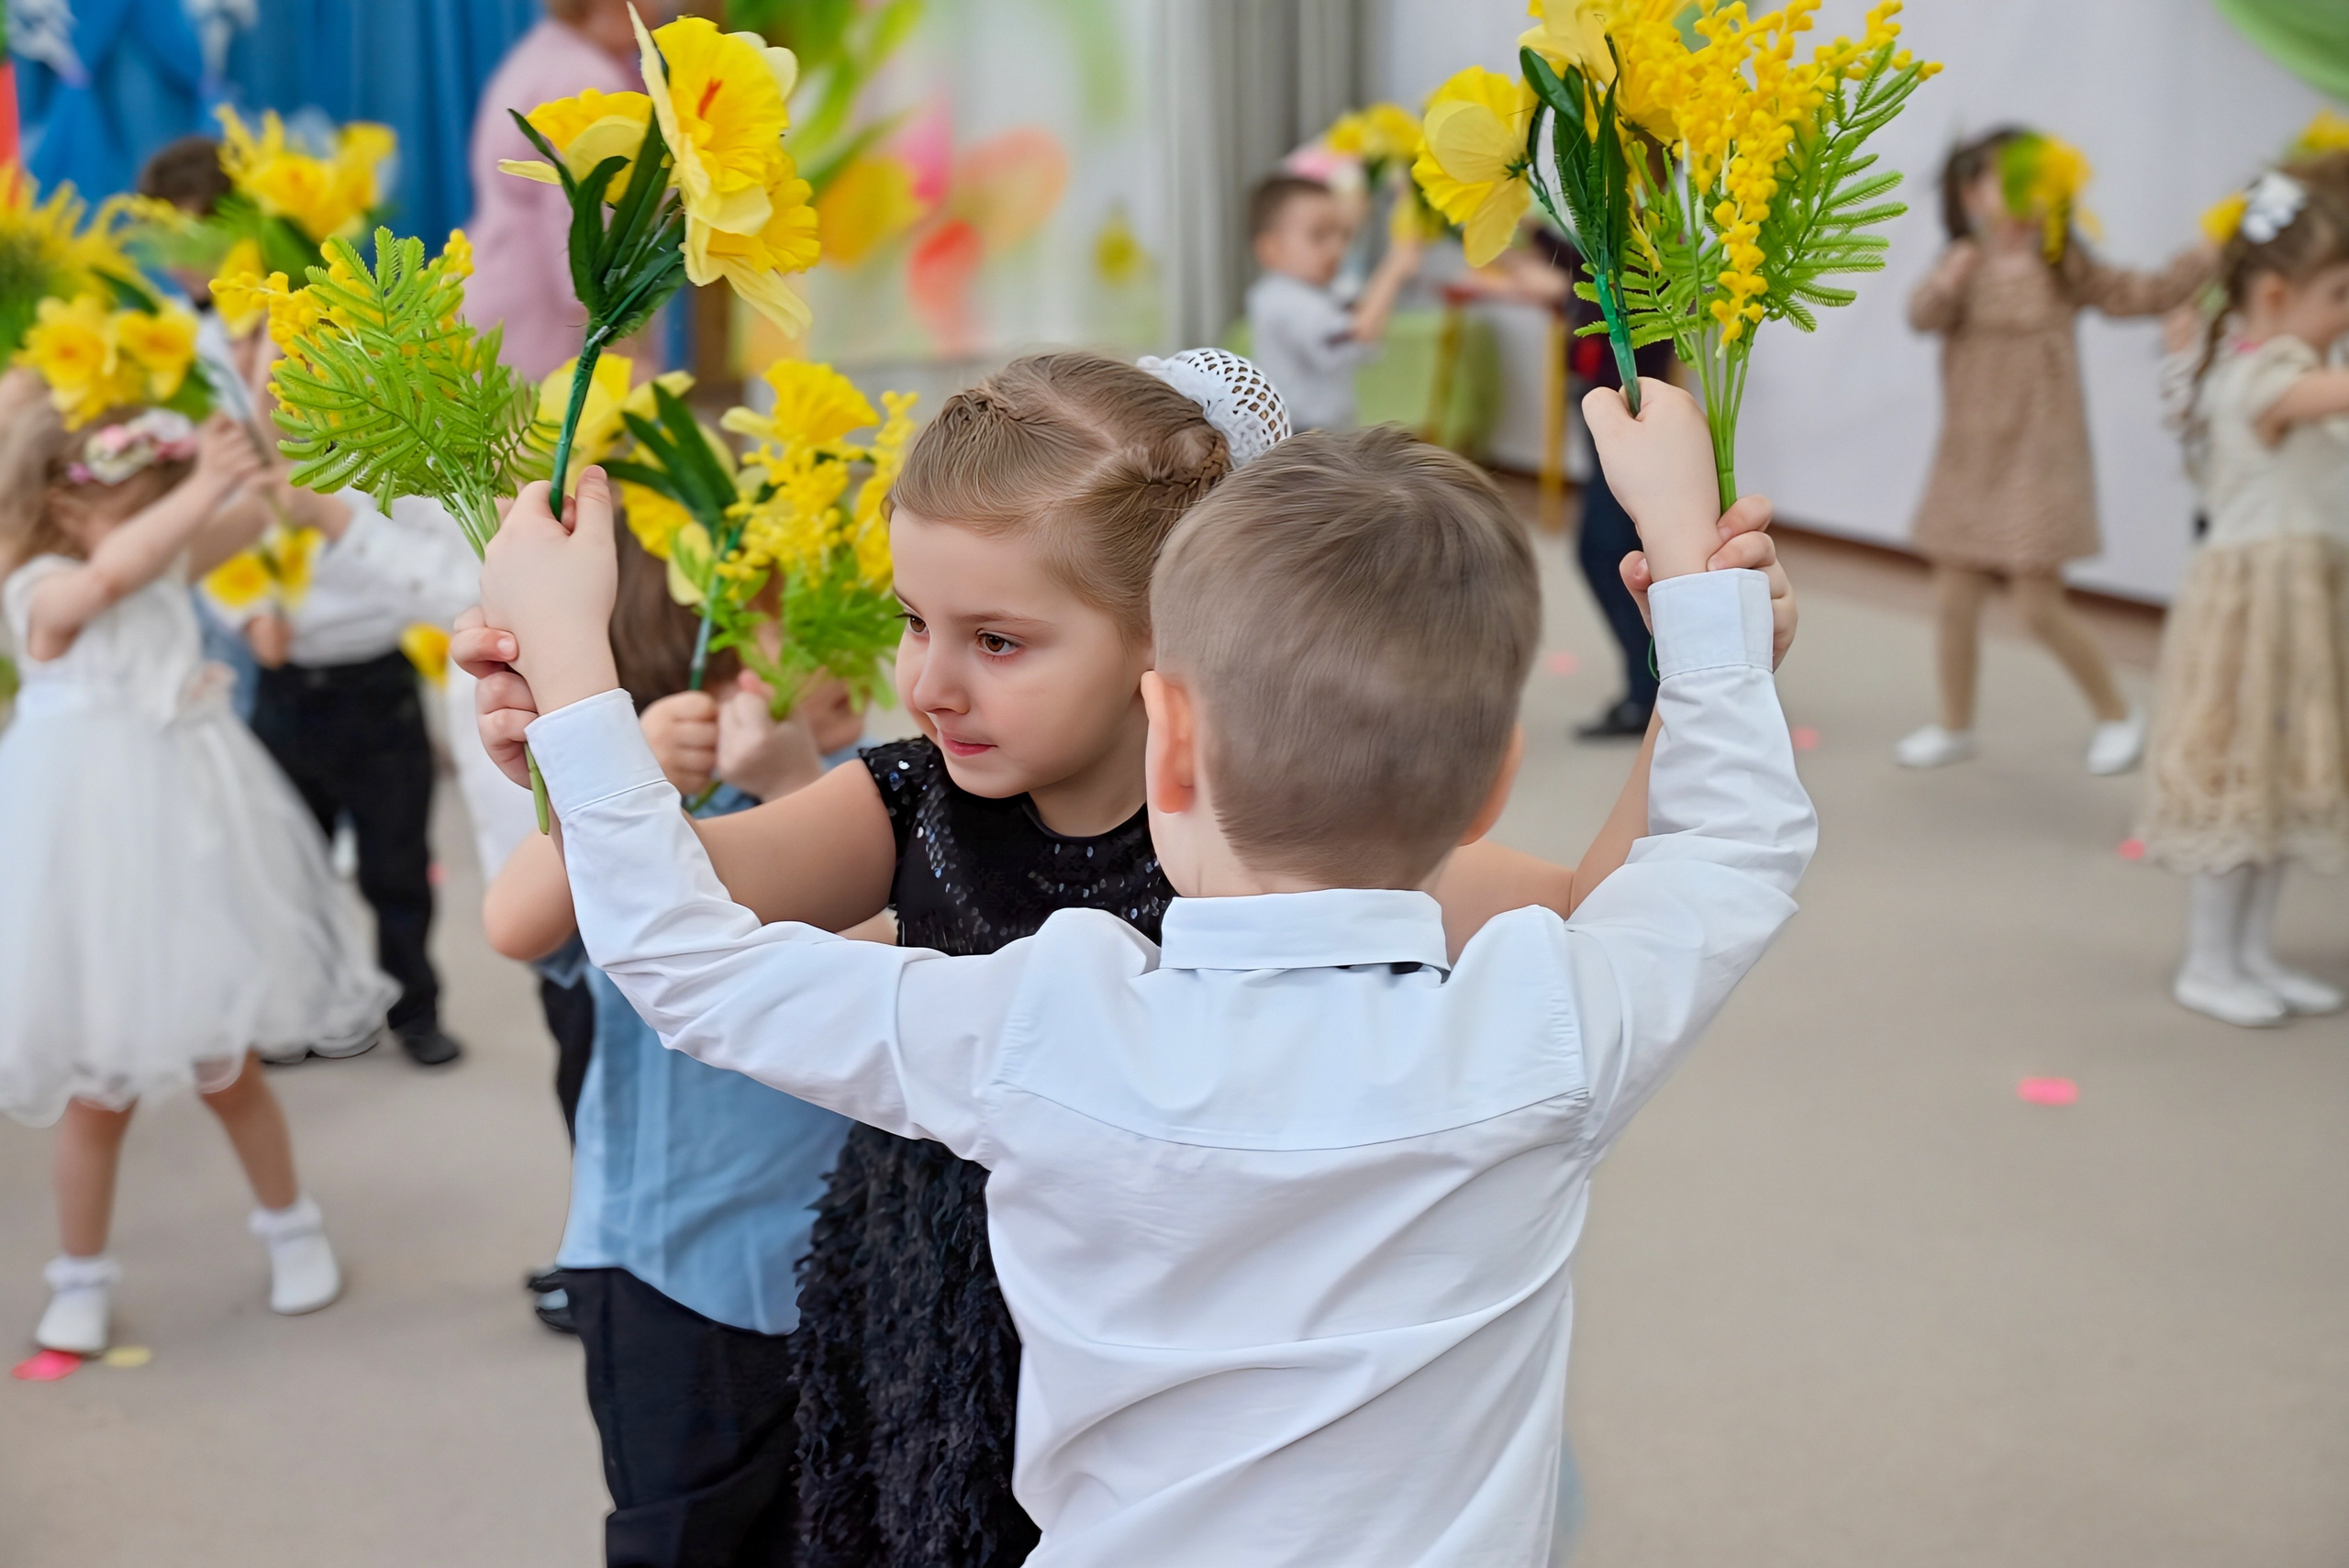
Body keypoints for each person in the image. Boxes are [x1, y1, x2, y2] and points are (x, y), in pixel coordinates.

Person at [454, 348, 1797, 1566]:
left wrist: (581, 691)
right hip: (935, 1346)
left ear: (1166, 727)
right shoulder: (1540, 1027)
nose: (930, 679)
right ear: (1495, 782)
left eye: (993, 638)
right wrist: (1701, 611)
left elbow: (683, 958)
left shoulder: (1054, 1025)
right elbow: (1716, 855)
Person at [481, 519, 865, 1564]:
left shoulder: (850, 784)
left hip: (834, 1264)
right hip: (671, 1272)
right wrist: (620, 769)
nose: (853, 651)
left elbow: (909, 934)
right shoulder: (638, 816)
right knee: (680, 1535)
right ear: (717, 659)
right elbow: (513, 918)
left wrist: (797, 773)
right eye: (799, 619)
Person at [0, 403, 395, 1355]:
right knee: (100, 1090)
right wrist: (205, 486)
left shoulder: (161, 552)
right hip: (89, 863)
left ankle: (291, 1225)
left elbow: (259, 516)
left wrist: (249, 433)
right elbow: (115, 571)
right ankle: (80, 1275)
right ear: (65, 499)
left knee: (230, 1063)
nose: (174, 517)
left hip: (186, 843)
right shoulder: (41, 585)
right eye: (153, 501)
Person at [1897, 126, 2211, 774]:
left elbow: (2141, 295)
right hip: (1970, 455)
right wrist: (1949, 278)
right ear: (1970, 194)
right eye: (1998, 181)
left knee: (2039, 603)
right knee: (1954, 598)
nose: (2015, 196)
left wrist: (2203, 255)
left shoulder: (2061, 261)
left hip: (2041, 455)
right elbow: (1921, 316)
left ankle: (2118, 714)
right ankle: (1955, 723)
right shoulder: (1963, 264)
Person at [2138, 155, 2349, 1028]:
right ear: (2271, 296)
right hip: (2254, 609)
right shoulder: (2262, 378)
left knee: (2281, 780)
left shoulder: (2289, 363)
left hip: (2303, 601)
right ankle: (2210, 959)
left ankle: (2253, 953)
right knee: (2239, 776)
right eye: (2339, 293)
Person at [1453, 224, 1680, 738]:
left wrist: (1526, 270)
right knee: (1616, 552)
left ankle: (1653, 692)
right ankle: (1654, 686)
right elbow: (1570, 271)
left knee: (1606, 551)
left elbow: (1588, 290)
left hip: (1631, 418)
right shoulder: (1605, 236)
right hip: (1608, 412)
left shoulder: (1644, 240)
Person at [464, 0, 678, 382]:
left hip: (500, 294)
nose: (662, 8)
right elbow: (582, 227)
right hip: (545, 322)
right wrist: (617, 343)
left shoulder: (542, 53)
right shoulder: (588, 80)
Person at [1244, 173, 1421, 431]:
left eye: (1341, 236)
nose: (1336, 248)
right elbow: (1357, 334)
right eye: (1319, 236)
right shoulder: (1282, 299)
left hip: (1320, 431)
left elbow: (1357, 310)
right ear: (1272, 249)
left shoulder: (1312, 292)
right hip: (1300, 435)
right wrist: (1394, 269)